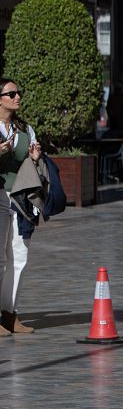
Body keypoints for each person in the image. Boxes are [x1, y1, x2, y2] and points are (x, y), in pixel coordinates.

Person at [0, 78, 40, 335]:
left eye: (18, 93)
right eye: (11, 93)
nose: (17, 97)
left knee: (19, 256)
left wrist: (35, 157)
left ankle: (9, 313)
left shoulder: (25, 129)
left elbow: (33, 160)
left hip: (20, 197)